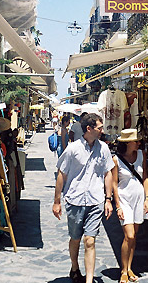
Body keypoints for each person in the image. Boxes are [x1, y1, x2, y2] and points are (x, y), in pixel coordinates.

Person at [52, 113, 114, 283]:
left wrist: (108, 199)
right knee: (75, 238)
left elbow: (108, 173)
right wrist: (57, 201)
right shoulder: (72, 149)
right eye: (99, 128)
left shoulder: (104, 148)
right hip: (75, 200)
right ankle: (74, 267)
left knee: (90, 240)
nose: (102, 131)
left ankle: (88, 280)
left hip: (96, 200)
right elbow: (61, 174)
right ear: (89, 129)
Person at [112, 129, 148, 283]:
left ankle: (129, 268)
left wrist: (147, 198)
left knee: (134, 236)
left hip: (139, 199)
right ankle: (123, 270)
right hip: (124, 200)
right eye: (136, 141)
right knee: (129, 235)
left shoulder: (141, 155)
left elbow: (145, 177)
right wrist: (118, 206)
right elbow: (114, 184)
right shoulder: (116, 160)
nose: (139, 143)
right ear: (128, 143)